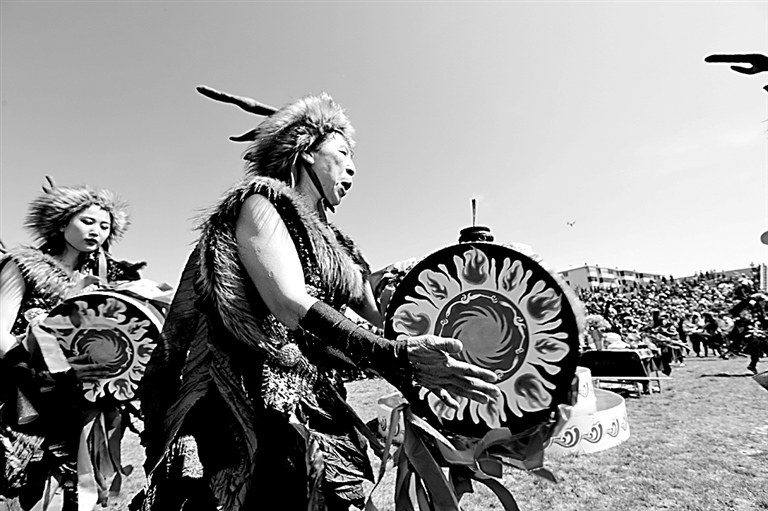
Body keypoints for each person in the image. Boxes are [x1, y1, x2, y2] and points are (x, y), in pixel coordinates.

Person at [136, 93, 500, 511]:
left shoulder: (340, 246)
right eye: (342, 153)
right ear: (307, 150)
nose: (353, 168)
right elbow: (290, 302)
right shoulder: (260, 202)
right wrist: (395, 358)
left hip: (320, 402)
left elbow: (385, 315)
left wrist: (465, 277)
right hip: (254, 408)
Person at [1, 180, 144, 511]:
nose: (96, 231)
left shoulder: (106, 284)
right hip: (23, 394)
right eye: (87, 221)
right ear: (62, 223)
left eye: (105, 226)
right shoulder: (23, 265)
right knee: (19, 486)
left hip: (84, 404)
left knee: (75, 491)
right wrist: (47, 368)